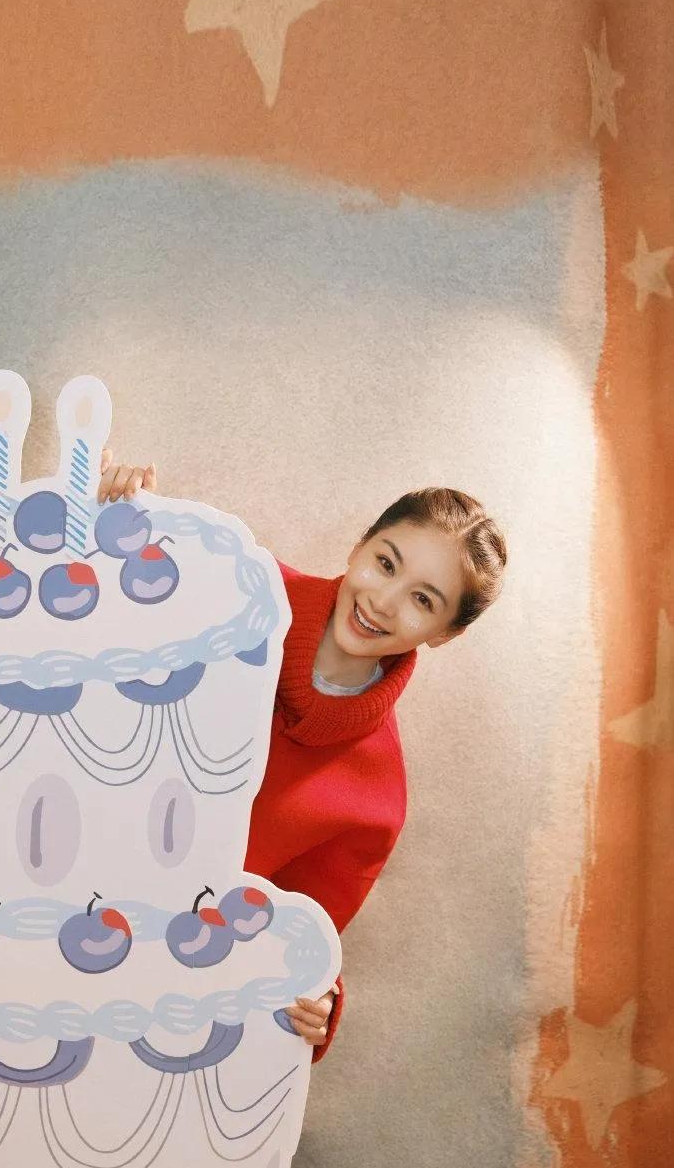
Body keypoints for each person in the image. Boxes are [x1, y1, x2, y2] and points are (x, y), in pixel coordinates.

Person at [97, 452, 507, 1061]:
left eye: (423, 600)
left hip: (145, 994)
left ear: (445, 634)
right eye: (385, 563)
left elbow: (292, 944)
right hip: (32, 876)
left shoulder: (376, 801)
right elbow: (93, 620)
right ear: (360, 545)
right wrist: (120, 518)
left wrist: (317, 1003)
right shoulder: (233, 584)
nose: (384, 601)